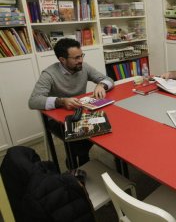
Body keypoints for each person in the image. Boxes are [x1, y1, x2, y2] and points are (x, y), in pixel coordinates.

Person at [29, 38, 114, 168]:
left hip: (81, 112)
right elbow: (33, 101)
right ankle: (77, 162)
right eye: (76, 58)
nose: (81, 60)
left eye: (81, 56)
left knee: (104, 124)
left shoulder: (83, 67)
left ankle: (79, 160)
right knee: (80, 137)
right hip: (57, 119)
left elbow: (108, 79)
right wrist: (61, 101)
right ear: (62, 60)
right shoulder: (49, 74)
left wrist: (101, 85)